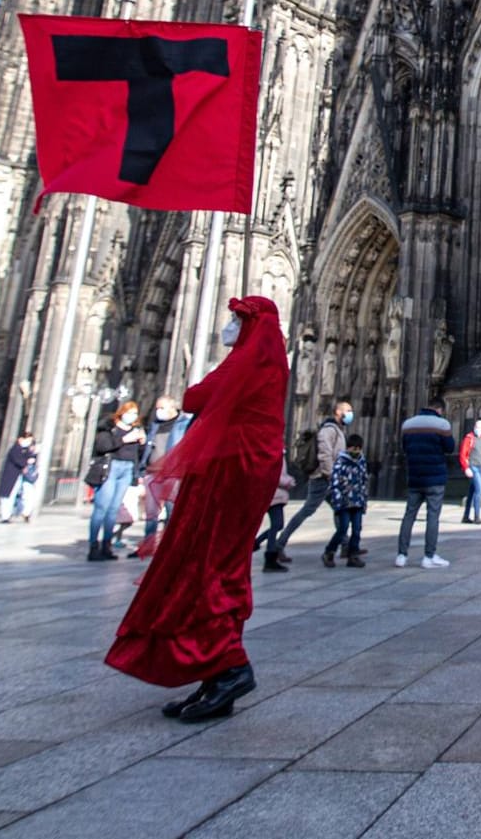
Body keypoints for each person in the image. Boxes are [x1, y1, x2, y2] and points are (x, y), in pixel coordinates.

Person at [106, 296, 288, 723]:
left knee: (208, 564)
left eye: (235, 321)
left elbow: (193, 397)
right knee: (221, 563)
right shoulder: (270, 359)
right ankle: (213, 673)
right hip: (243, 468)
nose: (228, 327)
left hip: (230, 471)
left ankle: (229, 667)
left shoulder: (251, 358)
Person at [279, 398, 352, 557]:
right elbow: (325, 454)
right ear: (338, 412)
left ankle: (346, 545)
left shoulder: (338, 430)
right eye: (348, 411)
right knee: (307, 511)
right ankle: (279, 544)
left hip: (330, 478)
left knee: (340, 510)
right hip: (323, 479)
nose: (350, 414)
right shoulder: (329, 430)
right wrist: (331, 475)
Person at [395, 397, 454, 568]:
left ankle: (401, 555)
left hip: (414, 476)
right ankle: (429, 556)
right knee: (433, 516)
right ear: (439, 409)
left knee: (409, 515)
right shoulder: (442, 424)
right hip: (435, 477)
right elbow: (450, 447)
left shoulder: (408, 425)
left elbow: (405, 447)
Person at [88, 401, 146, 561]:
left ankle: (107, 545)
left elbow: (138, 454)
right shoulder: (109, 427)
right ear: (121, 412)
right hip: (111, 467)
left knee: (114, 510)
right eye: (129, 412)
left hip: (127, 469)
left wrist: (142, 443)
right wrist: (124, 439)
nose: (132, 416)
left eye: (135, 413)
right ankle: (93, 546)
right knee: (101, 508)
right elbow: (102, 446)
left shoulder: (136, 429)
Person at [136, 396, 191, 549]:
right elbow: (148, 448)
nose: (158, 412)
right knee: (151, 513)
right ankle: (148, 545)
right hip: (151, 471)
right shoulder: (155, 425)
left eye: (161, 408)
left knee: (171, 510)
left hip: (171, 473)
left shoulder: (184, 424)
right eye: (157, 408)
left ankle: (169, 546)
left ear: (172, 408)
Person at [323, 433, 370, 568]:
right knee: (342, 529)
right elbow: (335, 482)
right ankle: (329, 552)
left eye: (358, 448)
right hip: (344, 502)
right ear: (348, 448)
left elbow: (364, 481)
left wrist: (364, 500)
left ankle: (353, 555)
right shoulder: (341, 462)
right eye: (353, 448)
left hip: (358, 502)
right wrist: (337, 501)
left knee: (357, 529)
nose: (355, 451)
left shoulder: (361, 462)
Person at [256, 462, 294, 572]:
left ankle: (257, 544)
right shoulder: (274, 452)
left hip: (276, 494)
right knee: (277, 524)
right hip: (274, 494)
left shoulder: (279, 452)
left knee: (277, 525)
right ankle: (270, 559)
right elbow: (273, 474)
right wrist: (288, 481)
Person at [0, 432, 39, 524]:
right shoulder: (15, 449)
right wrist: (27, 462)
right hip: (11, 477)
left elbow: (30, 457)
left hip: (17, 477)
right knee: (9, 497)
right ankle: (5, 516)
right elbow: (19, 460)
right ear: (21, 439)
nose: (29, 443)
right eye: (28, 440)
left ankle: (14, 514)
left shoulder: (24, 450)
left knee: (19, 496)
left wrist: (33, 454)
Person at [459, 417, 481, 524]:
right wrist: (466, 468)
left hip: (480, 468)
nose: (478, 429)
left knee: (472, 492)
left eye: (480, 427)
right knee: (479, 489)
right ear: (474, 427)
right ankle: (477, 516)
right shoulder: (469, 439)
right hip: (472, 467)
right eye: (477, 427)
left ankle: (465, 516)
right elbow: (462, 454)